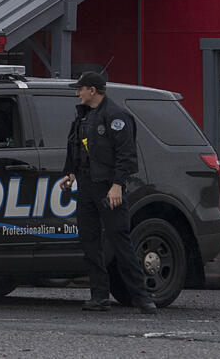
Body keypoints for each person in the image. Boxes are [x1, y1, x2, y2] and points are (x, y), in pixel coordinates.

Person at [60, 71, 158, 314]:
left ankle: (142, 298)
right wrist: (69, 172)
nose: (77, 93)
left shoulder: (117, 117)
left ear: (92, 90)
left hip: (108, 188)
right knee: (90, 242)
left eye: (80, 88)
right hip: (85, 186)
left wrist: (117, 185)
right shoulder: (83, 116)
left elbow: (126, 155)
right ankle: (99, 296)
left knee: (120, 241)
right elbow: (76, 146)